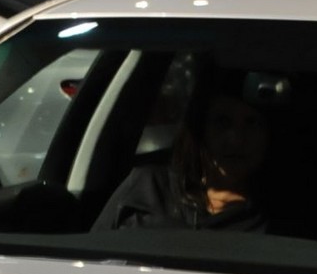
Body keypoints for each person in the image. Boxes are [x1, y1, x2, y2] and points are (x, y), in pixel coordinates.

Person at [97, 80, 271, 232]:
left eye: (251, 123)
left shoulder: (280, 226)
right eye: (222, 122)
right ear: (200, 130)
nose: (236, 140)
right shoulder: (148, 188)